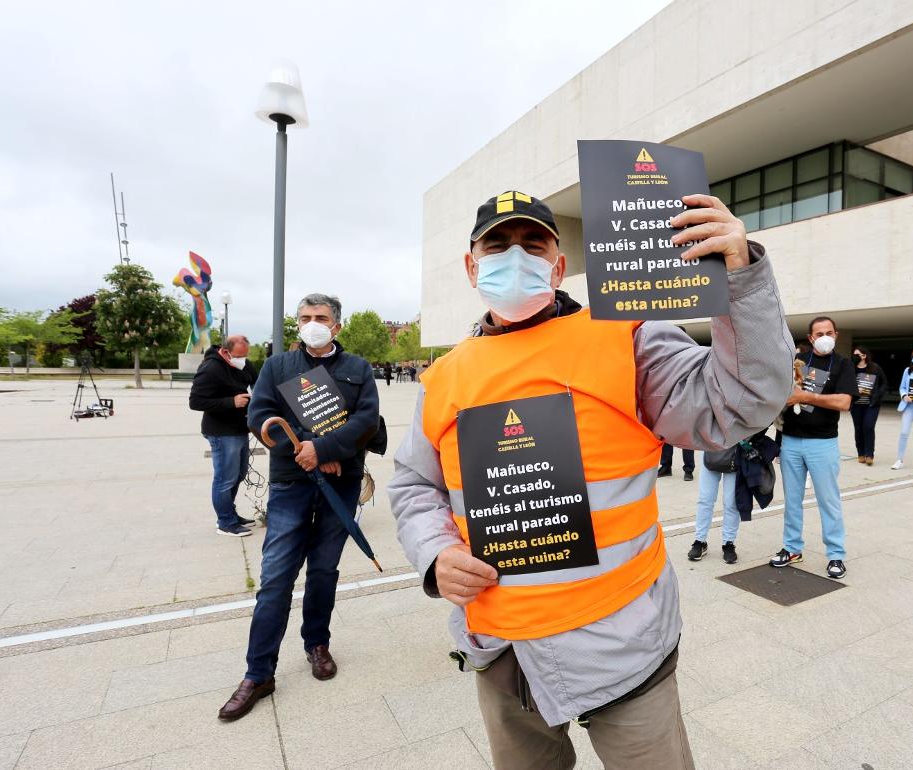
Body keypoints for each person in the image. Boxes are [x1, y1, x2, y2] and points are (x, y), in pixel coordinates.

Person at [387, 190, 791, 768]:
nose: (515, 256)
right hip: (504, 652)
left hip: (622, 644)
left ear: (558, 265)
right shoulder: (444, 376)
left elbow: (738, 402)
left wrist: (740, 279)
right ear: (472, 266)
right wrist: (434, 553)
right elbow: (412, 485)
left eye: (533, 244)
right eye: (497, 245)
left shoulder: (626, 334)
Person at [217, 294, 381, 721]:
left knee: (325, 569)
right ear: (297, 325)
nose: (313, 323)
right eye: (306, 318)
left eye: (321, 318)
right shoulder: (277, 367)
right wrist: (304, 450)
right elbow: (260, 415)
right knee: (275, 577)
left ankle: (317, 643)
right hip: (291, 482)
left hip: (341, 482)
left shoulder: (358, 369)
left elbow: (366, 421)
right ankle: (259, 672)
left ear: (336, 326)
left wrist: (324, 448)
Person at [770, 316, 856, 578]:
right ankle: (792, 548)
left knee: (828, 501)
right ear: (810, 338)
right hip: (791, 442)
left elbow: (844, 402)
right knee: (792, 501)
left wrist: (807, 396)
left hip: (823, 443)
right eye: (819, 334)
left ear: (836, 334)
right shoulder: (797, 363)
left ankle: (836, 555)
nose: (824, 337)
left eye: (829, 332)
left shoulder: (842, 364)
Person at [189, 335, 258, 537]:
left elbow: (257, 383)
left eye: (245, 355)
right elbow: (195, 402)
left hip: (240, 428)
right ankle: (225, 522)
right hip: (221, 431)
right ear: (226, 352)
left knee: (239, 474)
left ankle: (230, 513)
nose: (243, 360)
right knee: (225, 478)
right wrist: (231, 402)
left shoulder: (244, 365)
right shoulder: (211, 369)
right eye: (239, 356)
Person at [687, 444, 746, 565]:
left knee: (731, 502)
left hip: (735, 450)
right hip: (711, 447)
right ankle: (700, 541)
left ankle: (728, 543)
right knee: (705, 499)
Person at [849, 346, 888, 465]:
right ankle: (860, 453)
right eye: (854, 355)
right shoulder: (851, 369)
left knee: (868, 427)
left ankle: (869, 454)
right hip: (856, 405)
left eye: (858, 355)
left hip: (871, 404)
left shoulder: (875, 368)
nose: (855, 357)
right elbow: (845, 384)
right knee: (859, 428)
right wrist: (855, 390)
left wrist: (877, 395)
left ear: (864, 355)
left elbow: (884, 383)